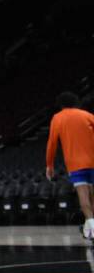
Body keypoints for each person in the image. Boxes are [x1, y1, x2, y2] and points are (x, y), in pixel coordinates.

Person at [46, 91, 94, 240]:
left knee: (84, 198)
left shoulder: (57, 118)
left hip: (75, 164)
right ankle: (88, 229)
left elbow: (52, 143)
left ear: (60, 104)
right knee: (92, 197)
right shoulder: (87, 115)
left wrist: (49, 165)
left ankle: (92, 228)